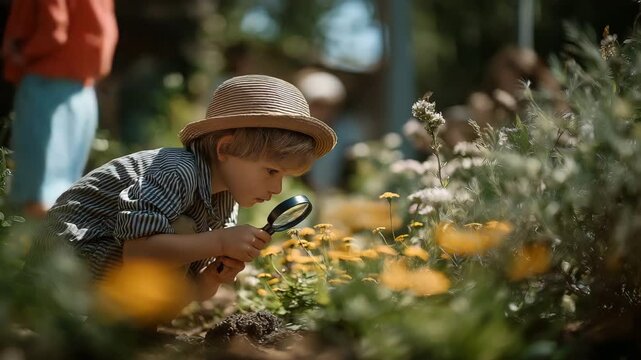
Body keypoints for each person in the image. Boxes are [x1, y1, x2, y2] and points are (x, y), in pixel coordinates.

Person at [29, 74, 337, 303]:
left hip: (104, 274)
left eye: (284, 176)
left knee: (185, 238)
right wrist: (217, 242)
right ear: (225, 148)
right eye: (271, 171)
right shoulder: (176, 170)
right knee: (182, 230)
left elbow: (187, 288)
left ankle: (123, 329)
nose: (276, 187)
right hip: (60, 265)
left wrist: (212, 275)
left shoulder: (224, 198)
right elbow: (140, 254)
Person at [2, 0, 118, 218]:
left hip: (46, 87)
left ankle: (33, 251)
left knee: (36, 196)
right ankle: (54, 250)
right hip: (83, 92)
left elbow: (53, 31)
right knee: (64, 194)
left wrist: (20, 53)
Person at [295, 68, 365, 193]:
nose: (324, 112)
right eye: (318, 105)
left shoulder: (348, 132)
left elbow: (353, 174)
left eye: (329, 106)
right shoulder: (294, 133)